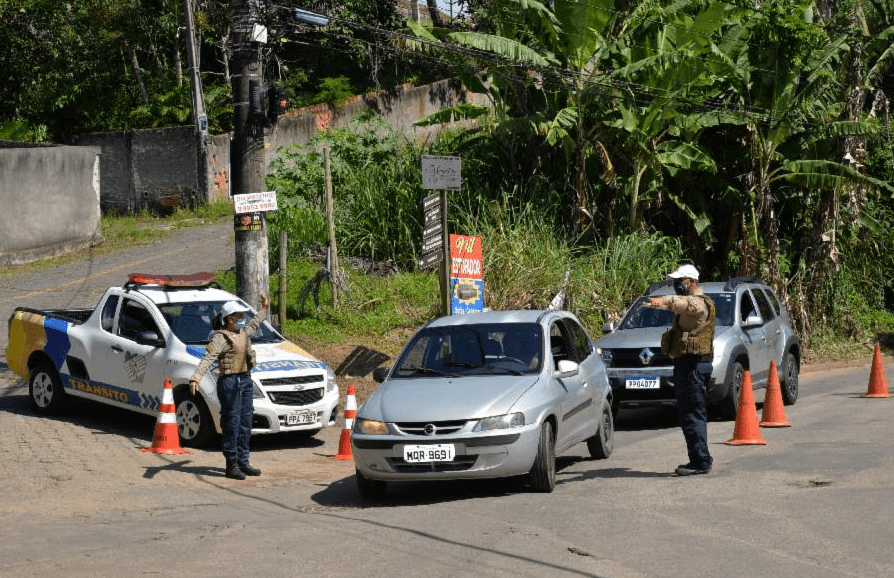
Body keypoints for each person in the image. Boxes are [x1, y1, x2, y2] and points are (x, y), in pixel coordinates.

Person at [189, 294, 269, 480]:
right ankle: (231, 464)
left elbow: (255, 323)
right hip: (229, 383)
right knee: (231, 423)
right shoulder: (220, 338)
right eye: (239, 316)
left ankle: (243, 461)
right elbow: (207, 358)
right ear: (230, 319)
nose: (243, 319)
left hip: (245, 380)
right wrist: (195, 379)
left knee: (245, 422)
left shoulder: (243, 333)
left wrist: (264, 308)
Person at [646, 264, 715, 476]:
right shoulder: (695, 302)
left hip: (691, 365)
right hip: (690, 364)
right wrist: (654, 304)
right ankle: (700, 458)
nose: (677, 285)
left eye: (680, 280)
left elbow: (679, 303)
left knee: (692, 414)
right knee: (691, 413)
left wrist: (663, 300)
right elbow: (675, 306)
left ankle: (700, 461)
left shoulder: (696, 303)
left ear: (692, 282)